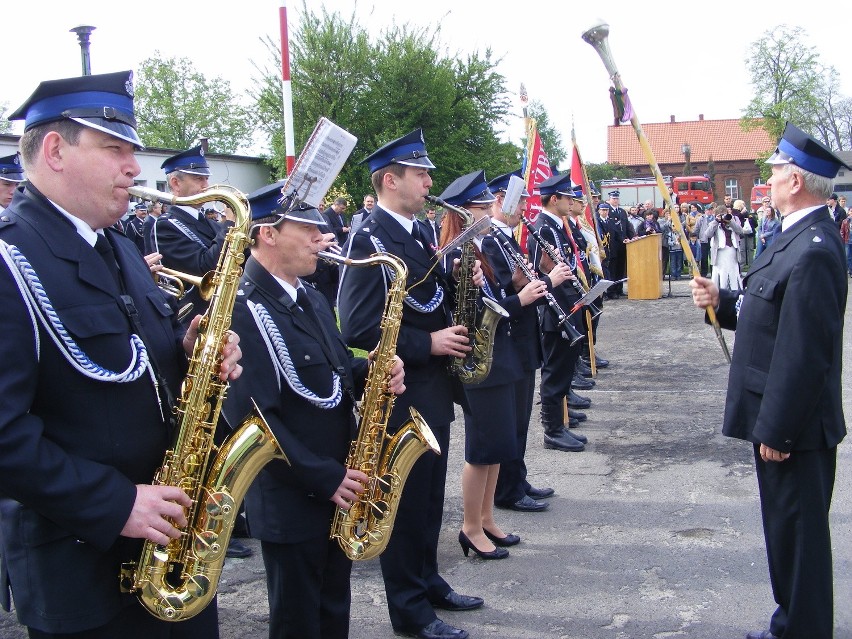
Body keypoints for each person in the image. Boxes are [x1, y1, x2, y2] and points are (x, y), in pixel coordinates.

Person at [0, 70, 243, 638]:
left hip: (173, 551)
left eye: (133, 151)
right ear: (56, 150)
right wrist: (115, 504)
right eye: (115, 150)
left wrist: (191, 355)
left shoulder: (119, 246)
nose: (135, 168)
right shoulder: (10, 262)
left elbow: (131, 364)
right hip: (83, 572)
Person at [222, 181, 405, 639]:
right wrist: (324, 477)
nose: (321, 239)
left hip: (339, 481)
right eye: (307, 229)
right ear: (267, 233)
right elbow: (251, 420)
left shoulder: (309, 295)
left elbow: (335, 368)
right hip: (294, 493)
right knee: (299, 619)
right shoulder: (240, 308)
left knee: (332, 607)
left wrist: (374, 371)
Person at [691, 122, 848, 639]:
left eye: (777, 168)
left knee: (799, 541)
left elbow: (804, 355)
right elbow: (769, 311)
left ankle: (803, 630)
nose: (770, 176)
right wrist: (724, 301)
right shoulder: (794, 235)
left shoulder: (817, 249)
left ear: (797, 181)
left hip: (794, 429)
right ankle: (791, 625)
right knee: (785, 535)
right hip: (779, 421)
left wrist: (776, 431)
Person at [337, 129, 483, 639]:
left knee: (428, 501)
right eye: (420, 174)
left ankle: (429, 581)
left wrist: (464, 279)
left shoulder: (419, 233)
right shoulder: (368, 239)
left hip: (433, 391)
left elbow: (426, 300)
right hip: (403, 392)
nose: (428, 182)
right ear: (390, 180)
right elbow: (356, 325)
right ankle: (409, 610)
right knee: (403, 505)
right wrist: (429, 344)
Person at [436, 170, 540, 556]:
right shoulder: (455, 256)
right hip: (480, 360)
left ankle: (486, 519)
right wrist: (519, 299)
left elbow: (494, 299)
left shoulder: (483, 247)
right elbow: (477, 310)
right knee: (481, 449)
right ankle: (469, 526)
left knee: (498, 446)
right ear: (462, 213)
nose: (489, 211)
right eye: (481, 207)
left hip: (500, 354)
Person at [487, 170, 562, 512]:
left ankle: (518, 479)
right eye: (518, 202)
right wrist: (542, 281)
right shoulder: (490, 240)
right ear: (500, 200)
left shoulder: (505, 237)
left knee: (519, 422)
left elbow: (518, 282)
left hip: (521, 339)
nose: (523, 211)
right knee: (510, 423)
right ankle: (508, 489)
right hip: (509, 339)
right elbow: (507, 289)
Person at [527, 172, 588, 454]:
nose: (572, 201)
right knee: (555, 370)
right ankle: (552, 428)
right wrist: (568, 308)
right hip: (557, 309)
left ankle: (561, 416)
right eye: (567, 197)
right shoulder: (544, 228)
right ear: (555, 199)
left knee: (564, 367)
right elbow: (547, 273)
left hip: (567, 304)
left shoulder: (555, 225)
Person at [153, 145, 237, 325]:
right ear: (176, 183)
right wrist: (230, 223)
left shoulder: (210, 223)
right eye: (199, 179)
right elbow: (206, 267)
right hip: (196, 318)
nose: (206, 186)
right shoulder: (166, 225)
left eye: (206, 179)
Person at [702, 203, 745, 290]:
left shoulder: (733, 220)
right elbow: (707, 234)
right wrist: (716, 221)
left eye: (724, 214)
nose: (723, 216)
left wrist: (730, 221)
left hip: (732, 250)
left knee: (733, 270)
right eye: (720, 214)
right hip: (720, 252)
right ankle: (720, 289)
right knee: (721, 272)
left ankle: (734, 289)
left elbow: (740, 231)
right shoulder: (713, 223)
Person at [604, 190, 633, 297]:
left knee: (621, 267)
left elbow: (627, 226)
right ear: (609, 199)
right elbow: (613, 228)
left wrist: (632, 236)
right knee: (613, 268)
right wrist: (622, 239)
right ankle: (612, 291)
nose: (616, 200)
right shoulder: (608, 211)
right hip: (613, 244)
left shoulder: (622, 211)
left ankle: (619, 289)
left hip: (624, 243)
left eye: (617, 199)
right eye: (614, 199)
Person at [840, 206, 852, 276]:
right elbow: (842, 231)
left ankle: (850, 270)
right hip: (847, 241)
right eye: (851, 211)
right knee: (847, 256)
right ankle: (849, 270)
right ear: (849, 212)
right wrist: (842, 240)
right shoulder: (845, 221)